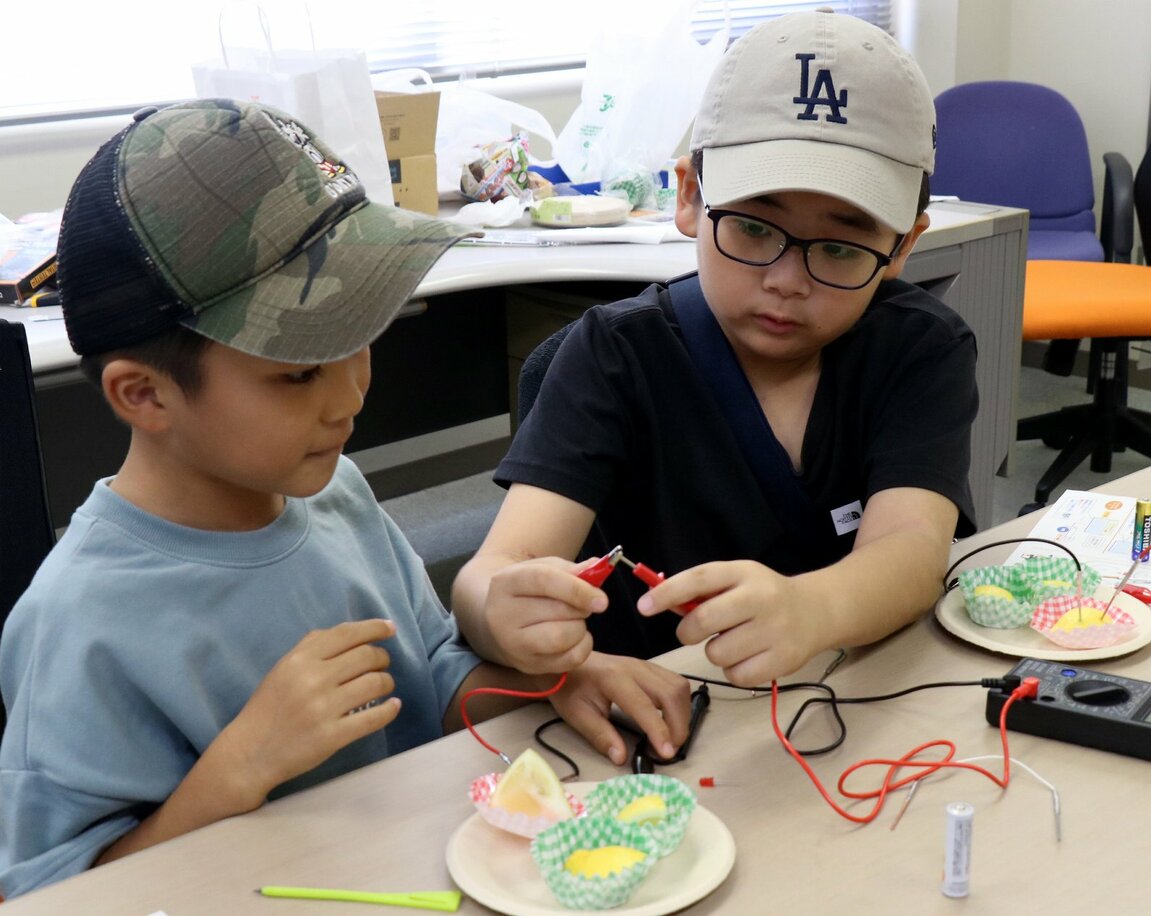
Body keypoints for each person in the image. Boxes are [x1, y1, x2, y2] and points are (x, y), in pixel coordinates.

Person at [0, 99, 690, 900]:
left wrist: (551, 687)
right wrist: (237, 771)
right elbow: (53, 893)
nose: (353, 392)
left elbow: (430, 670)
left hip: (412, 870)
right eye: (298, 371)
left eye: (361, 334)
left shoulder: (334, 493)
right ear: (144, 396)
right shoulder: (79, 625)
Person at [453, 10, 978, 688]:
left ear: (903, 246)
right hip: (659, 726)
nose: (787, 282)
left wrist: (812, 608)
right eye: (756, 230)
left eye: (842, 248)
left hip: (855, 698)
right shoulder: (614, 358)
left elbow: (911, 552)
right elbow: (489, 575)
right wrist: (497, 612)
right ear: (692, 197)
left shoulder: (919, 350)